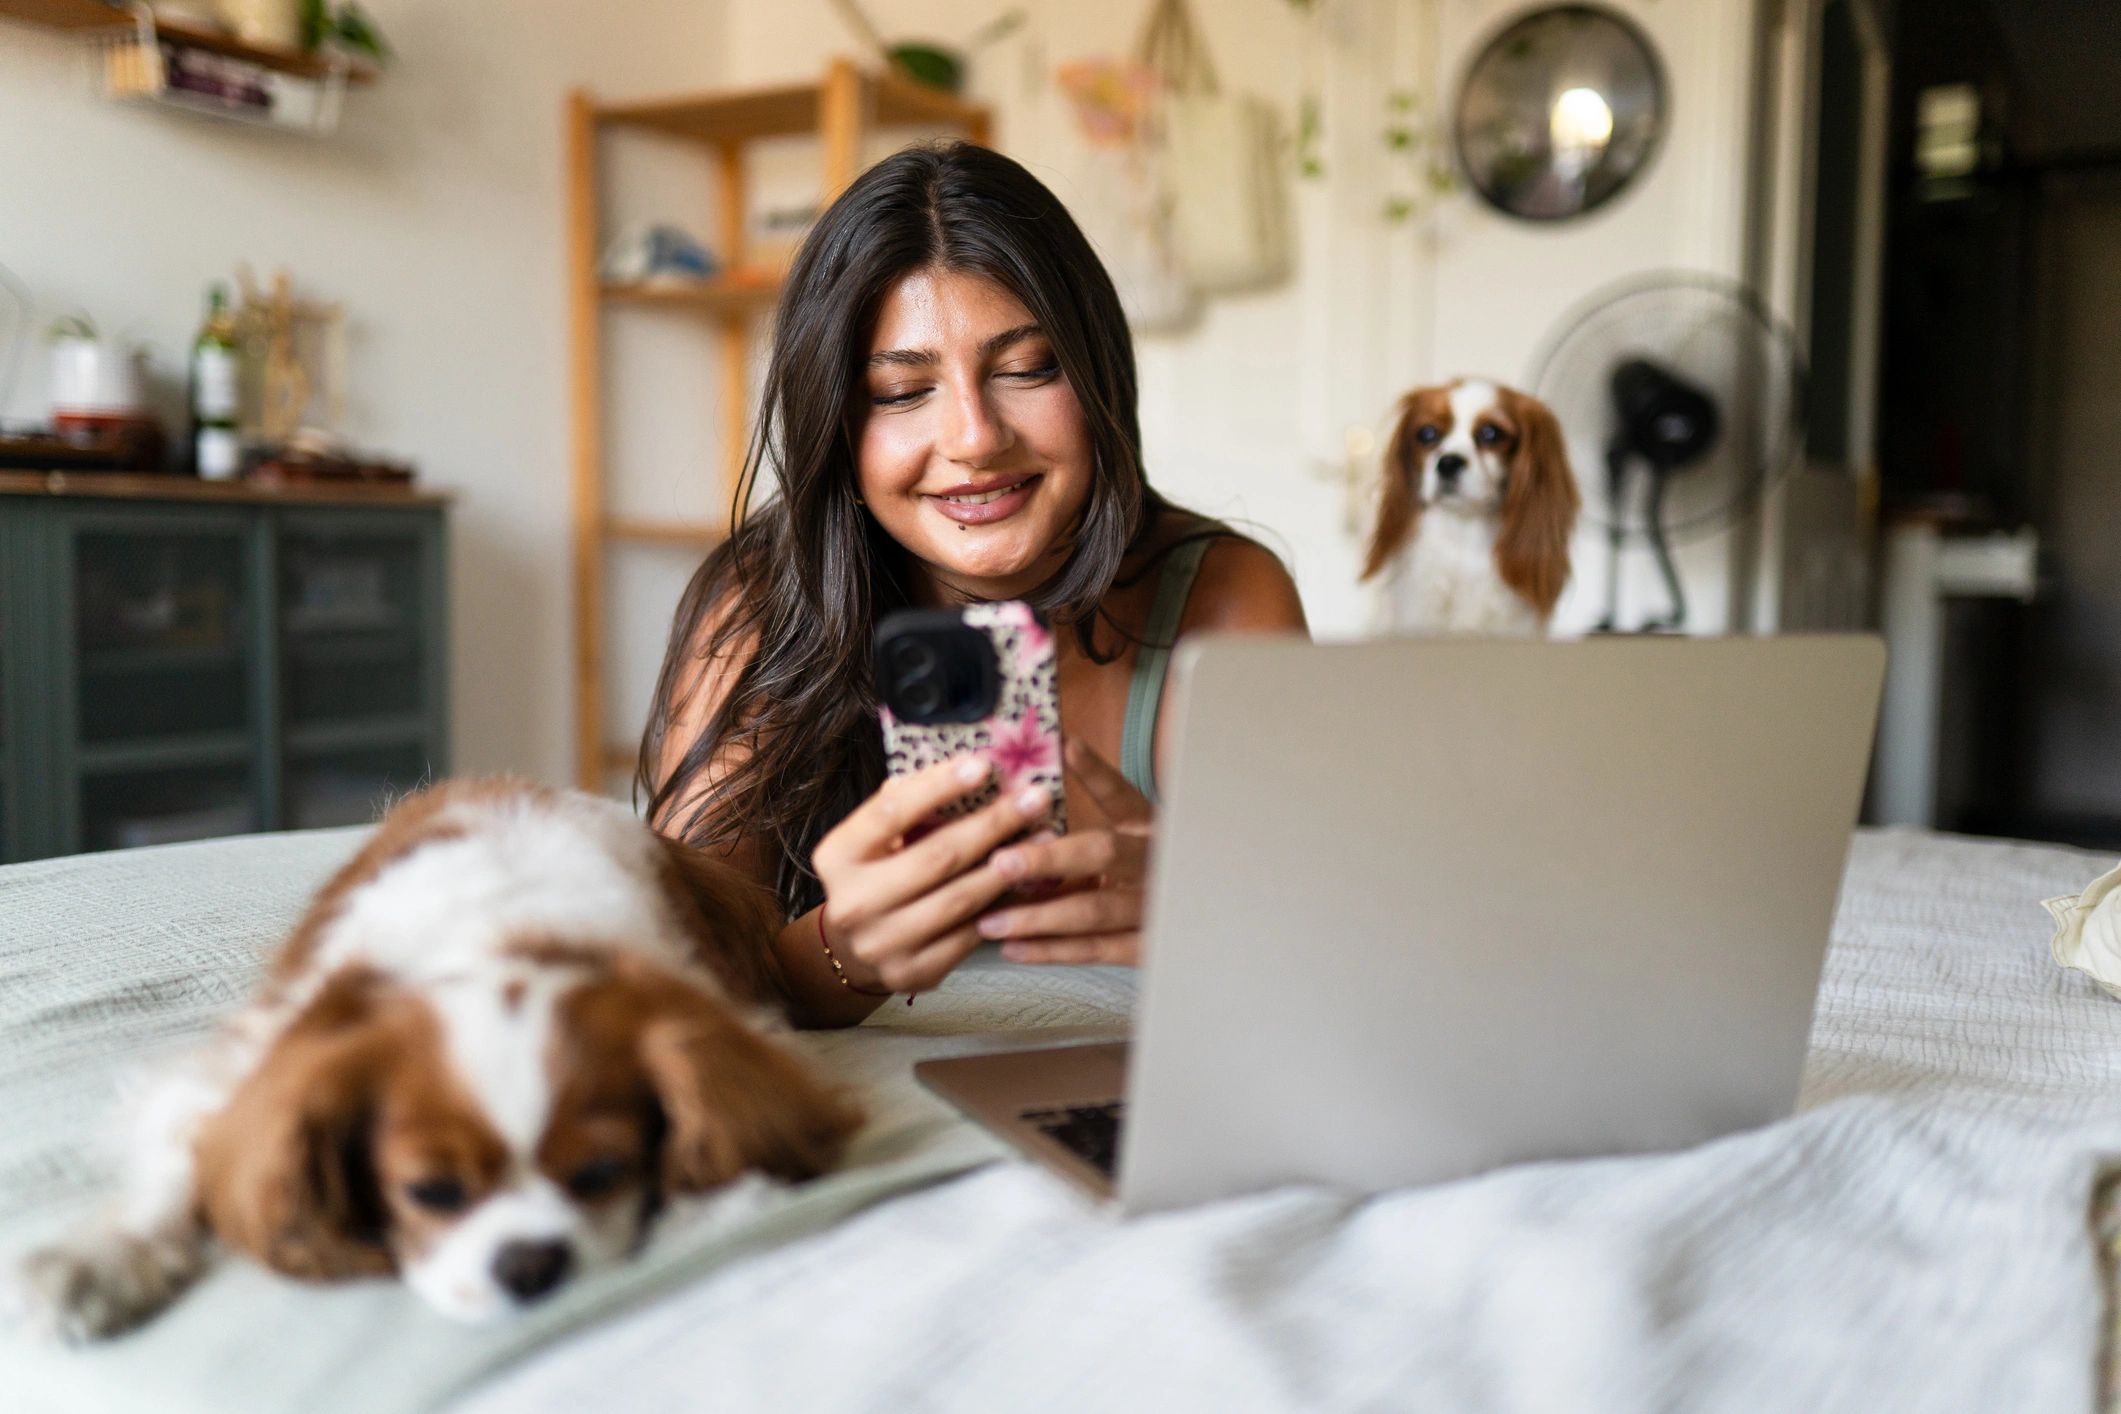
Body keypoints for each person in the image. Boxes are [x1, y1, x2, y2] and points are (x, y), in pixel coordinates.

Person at [641, 142, 1308, 1027]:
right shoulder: (758, 607)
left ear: (1099, 377)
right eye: (899, 390)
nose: (974, 438)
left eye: (1027, 368)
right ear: (834, 425)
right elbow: (672, 990)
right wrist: (842, 952)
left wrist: (1212, 920)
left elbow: (1319, 960)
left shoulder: (1223, 595)